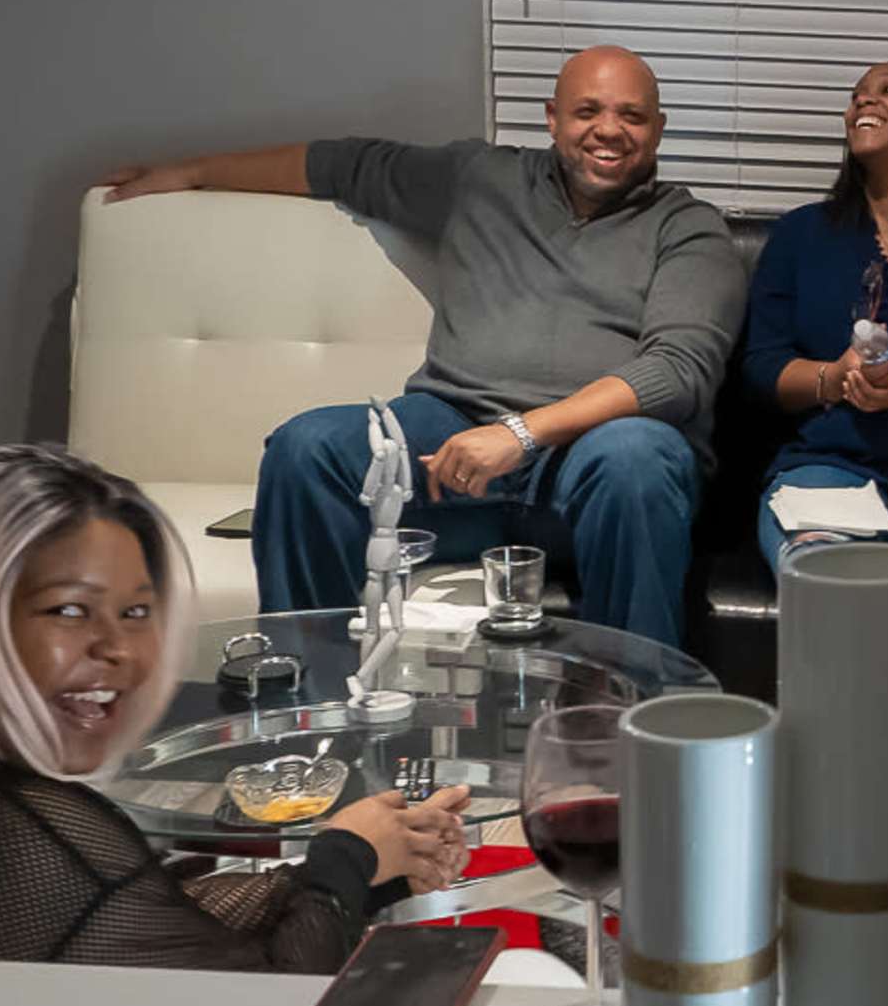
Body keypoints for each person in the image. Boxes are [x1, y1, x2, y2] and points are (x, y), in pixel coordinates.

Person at [0, 446, 470, 968]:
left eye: (135, 613)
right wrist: (345, 862)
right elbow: (256, 1005)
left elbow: (113, 915)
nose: (120, 651)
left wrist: (348, 864)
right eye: (68, 611)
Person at [104, 44, 744, 648]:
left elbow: (675, 373)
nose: (609, 129)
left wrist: (521, 433)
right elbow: (341, 164)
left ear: (657, 129)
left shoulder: (689, 230)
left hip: (588, 480)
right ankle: (311, 703)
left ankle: (633, 726)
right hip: (447, 452)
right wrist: (190, 171)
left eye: (631, 115)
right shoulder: (480, 180)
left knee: (637, 455)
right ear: (553, 119)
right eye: (587, 111)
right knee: (306, 449)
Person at [740, 59, 888, 729]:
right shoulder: (802, 235)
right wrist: (834, 377)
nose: (863, 102)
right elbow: (763, 369)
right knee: (833, 588)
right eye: (857, 96)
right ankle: (837, 781)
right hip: (827, 464)